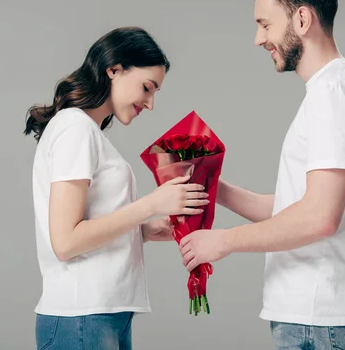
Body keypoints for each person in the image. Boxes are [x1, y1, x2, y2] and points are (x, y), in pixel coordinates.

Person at [178, 0, 345, 350]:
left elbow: (318, 217)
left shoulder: (334, 95)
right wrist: (214, 186)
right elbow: (299, 207)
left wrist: (222, 242)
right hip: (317, 317)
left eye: (265, 24)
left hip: (319, 321)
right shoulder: (339, 89)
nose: (259, 39)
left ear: (303, 19)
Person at [24, 26, 209, 350]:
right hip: (82, 318)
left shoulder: (87, 132)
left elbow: (91, 225)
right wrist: (151, 204)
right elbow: (66, 242)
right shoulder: (75, 129)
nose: (150, 103)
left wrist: (146, 230)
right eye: (147, 88)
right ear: (114, 69)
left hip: (103, 315)